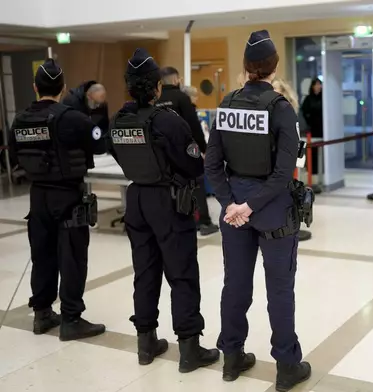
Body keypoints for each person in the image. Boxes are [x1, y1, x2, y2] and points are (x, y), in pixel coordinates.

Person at [205, 30, 311, 391]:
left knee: (235, 285)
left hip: (234, 209)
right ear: (273, 66)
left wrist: (230, 204)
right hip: (272, 210)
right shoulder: (282, 110)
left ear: (246, 66)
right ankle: (286, 367)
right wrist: (249, 205)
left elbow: (212, 164)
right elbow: (284, 174)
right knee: (279, 290)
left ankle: (231, 358)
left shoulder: (227, 104)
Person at [109, 49, 219, 372]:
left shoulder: (118, 121)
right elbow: (194, 163)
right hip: (168, 202)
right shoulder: (168, 121)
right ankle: (189, 350)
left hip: (137, 200)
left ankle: (146, 343)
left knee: (144, 272)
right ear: (157, 87)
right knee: (182, 273)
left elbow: (119, 157)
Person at [8, 59, 106, 341]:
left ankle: (42, 314)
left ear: (35, 87)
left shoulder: (21, 120)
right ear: (63, 88)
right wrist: (95, 113)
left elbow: (16, 155)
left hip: (37, 196)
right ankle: (71, 319)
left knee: (42, 256)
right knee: (72, 257)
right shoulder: (72, 118)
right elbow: (99, 143)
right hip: (68, 196)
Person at [157, 66, 219, 237]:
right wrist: (203, 149)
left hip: (163, 151)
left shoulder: (155, 100)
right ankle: (203, 222)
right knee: (196, 183)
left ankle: (178, 219)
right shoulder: (182, 98)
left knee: (172, 185)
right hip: (186, 149)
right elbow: (194, 125)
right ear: (176, 79)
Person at [62, 81, 109, 154]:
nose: (98, 106)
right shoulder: (71, 102)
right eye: (96, 103)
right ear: (88, 96)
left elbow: (104, 127)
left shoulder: (101, 105)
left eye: (100, 103)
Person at [301, 78, 322, 175]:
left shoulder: (324, 98)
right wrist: (309, 120)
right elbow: (304, 111)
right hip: (312, 128)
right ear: (312, 86)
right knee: (312, 150)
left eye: (319, 84)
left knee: (321, 149)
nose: (318, 87)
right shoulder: (308, 99)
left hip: (322, 128)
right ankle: (312, 169)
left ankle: (321, 169)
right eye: (316, 84)